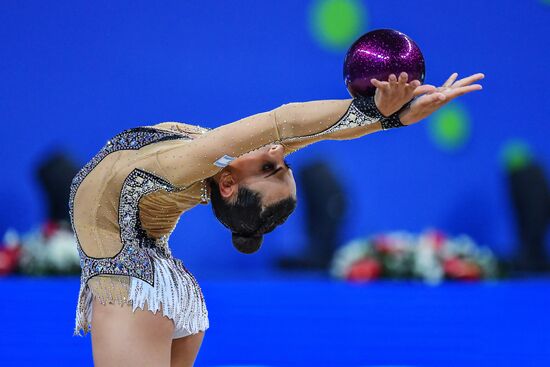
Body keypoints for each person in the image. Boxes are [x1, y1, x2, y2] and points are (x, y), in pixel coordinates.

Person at [70, 71, 483, 366]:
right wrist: (394, 117)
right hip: (153, 284)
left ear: (229, 185)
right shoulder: (219, 166)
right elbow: (303, 135)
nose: (278, 154)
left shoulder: (188, 163)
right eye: (283, 166)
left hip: (133, 289)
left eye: (271, 170)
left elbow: (281, 122)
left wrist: (373, 106)